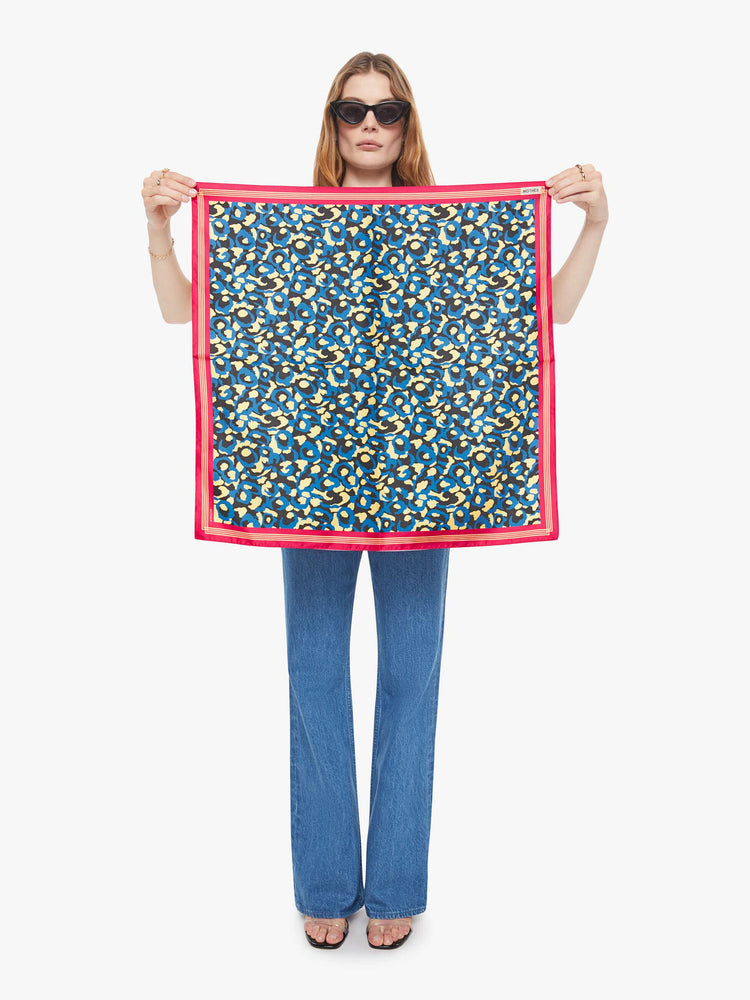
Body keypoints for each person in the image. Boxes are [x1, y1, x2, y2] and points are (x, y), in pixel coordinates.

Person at [141, 51, 609, 951]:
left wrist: (593, 227)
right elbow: (185, 317)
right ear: (330, 121)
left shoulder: (453, 229)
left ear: (407, 124)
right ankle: (323, 881)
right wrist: (161, 231)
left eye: (387, 110)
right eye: (352, 109)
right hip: (306, 487)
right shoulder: (281, 228)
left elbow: (545, 314)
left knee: (410, 684)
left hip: (424, 489)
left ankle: (395, 881)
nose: (369, 124)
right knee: (315, 680)